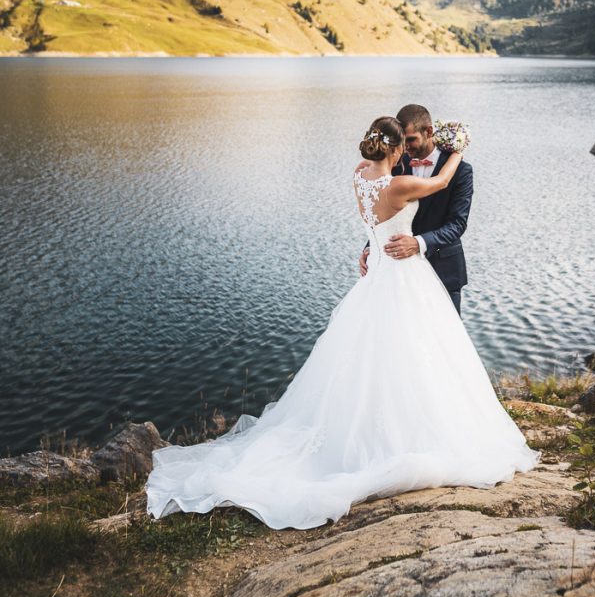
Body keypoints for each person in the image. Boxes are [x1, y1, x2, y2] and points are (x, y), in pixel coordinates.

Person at [144, 115, 539, 531]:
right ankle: (407, 436)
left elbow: (409, 217)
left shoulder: (360, 176)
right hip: (403, 278)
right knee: (411, 351)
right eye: (401, 145)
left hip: (386, 275)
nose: (406, 151)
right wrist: (458, 148)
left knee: (390, 355)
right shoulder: (398, 184)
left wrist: (378, 243)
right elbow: (439, 183)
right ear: (395, 148)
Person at [359, 103, 471, 314]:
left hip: (443, 270)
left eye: (410, 139)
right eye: (402, 140)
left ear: (428, 132)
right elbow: (381, 209)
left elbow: (457, 224)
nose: (405, 146)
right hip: (399, 276)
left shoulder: (460, 170)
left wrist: (418, 243)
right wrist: (371, 247)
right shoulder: (394, 163)